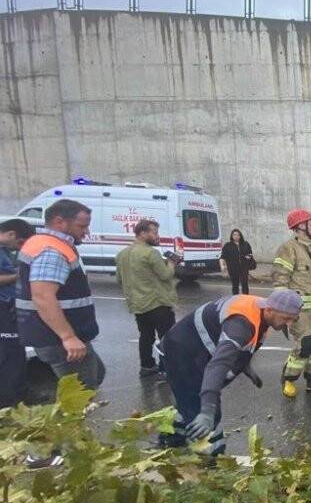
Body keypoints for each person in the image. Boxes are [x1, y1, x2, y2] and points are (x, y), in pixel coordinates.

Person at [160, 289, 302, 456]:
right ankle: (211, 463)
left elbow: (243, 345)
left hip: (191, 350)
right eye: (286, 319)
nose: (288, 324)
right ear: (270, 310)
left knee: (189, 406)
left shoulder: (261, 309)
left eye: (293, 320)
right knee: (205, 416)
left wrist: (244, 364)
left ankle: (169, 443)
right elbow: (218, 365)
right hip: (182, 355)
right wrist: (207, 410)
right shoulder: (241, 325)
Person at [16, 200, 104, 469]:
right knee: (77, 394)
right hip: (59, 339)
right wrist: (67, 336)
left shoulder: (44, 244)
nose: (85, 232)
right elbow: (43, 296)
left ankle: (51, 441)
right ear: (59, 222)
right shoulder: (52, 250)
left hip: (51, 336)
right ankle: (45, 452)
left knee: (88, 378)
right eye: (82, 226)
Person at [272, 209, 311, 397]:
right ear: (301, 226)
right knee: (305, 344)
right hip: (300, 311)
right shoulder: (288, 248)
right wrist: (284, 312)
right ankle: (289, 379)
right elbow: (280, 281)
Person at [115, 219, 181, 377]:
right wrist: (171, 263)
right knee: (167, 337)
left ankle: (146, 365)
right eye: (154, 232)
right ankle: (166, 369)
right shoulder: (151, 253)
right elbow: (165, 275)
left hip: (137, 304)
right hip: (158, 302)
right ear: (142, 233)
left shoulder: (122, 254)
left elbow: (119, 279)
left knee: (146, 336)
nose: (157, 236)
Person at [0, 219, 35, 408]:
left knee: (16, 351)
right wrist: (18, 275)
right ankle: (9, 400)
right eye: (20, 242)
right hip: (2, 308)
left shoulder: (5, 251)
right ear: (11, 234)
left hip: (9, 306)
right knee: (10, 354)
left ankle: (19, 394)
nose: (20, 248)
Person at [221, 229, 254, 294]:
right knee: (235, 285)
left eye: (238, 235)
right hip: (233, 268)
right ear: (232, 236)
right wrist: (222, 266)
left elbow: (250, 254)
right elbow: (222, 257)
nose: (236, 236)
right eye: (234, 235)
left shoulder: (245, 244)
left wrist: (247, 257)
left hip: (244, 268)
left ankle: (246, 299)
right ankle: (235, 299)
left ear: (240, 236)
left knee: (245, 284)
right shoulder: (228, 245)